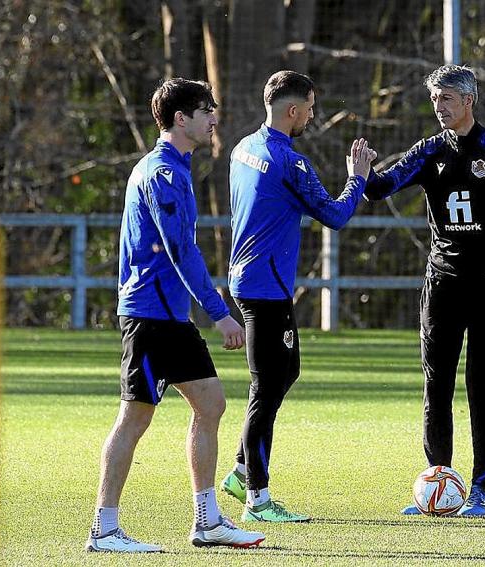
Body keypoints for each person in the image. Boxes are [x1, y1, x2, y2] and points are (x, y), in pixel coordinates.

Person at [85, 78, 265, 552]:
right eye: (206, 110)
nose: (213, 118)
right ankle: (104, 529)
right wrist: (220, 312)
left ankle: (207, 522)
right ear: (180, 119)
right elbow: (180, 249)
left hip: (171, 318)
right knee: (134, 419)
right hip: (150, 318)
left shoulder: (178, 168)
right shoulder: (162, 172)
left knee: (211, 405)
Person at [363, 65, 485, 517]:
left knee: (481, 387)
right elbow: (380, 189)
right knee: (435, 385)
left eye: (447, 99)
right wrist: (360, 172)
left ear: (469, 101)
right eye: (435, 99)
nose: (439, 107)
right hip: (441, 285)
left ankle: (482, 489)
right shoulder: (428, 151)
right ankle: (439, 482)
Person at [219, 70, 376, 522]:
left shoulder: (243, 148)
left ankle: (240, 471)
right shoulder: (291, 162)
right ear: (293, 110)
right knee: (265, 389)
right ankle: (257, 499)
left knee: (287, 370)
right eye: (309, 107)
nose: (311, 114)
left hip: (247, 278)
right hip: (266, 287)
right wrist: (357, 177)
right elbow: (335, 214)